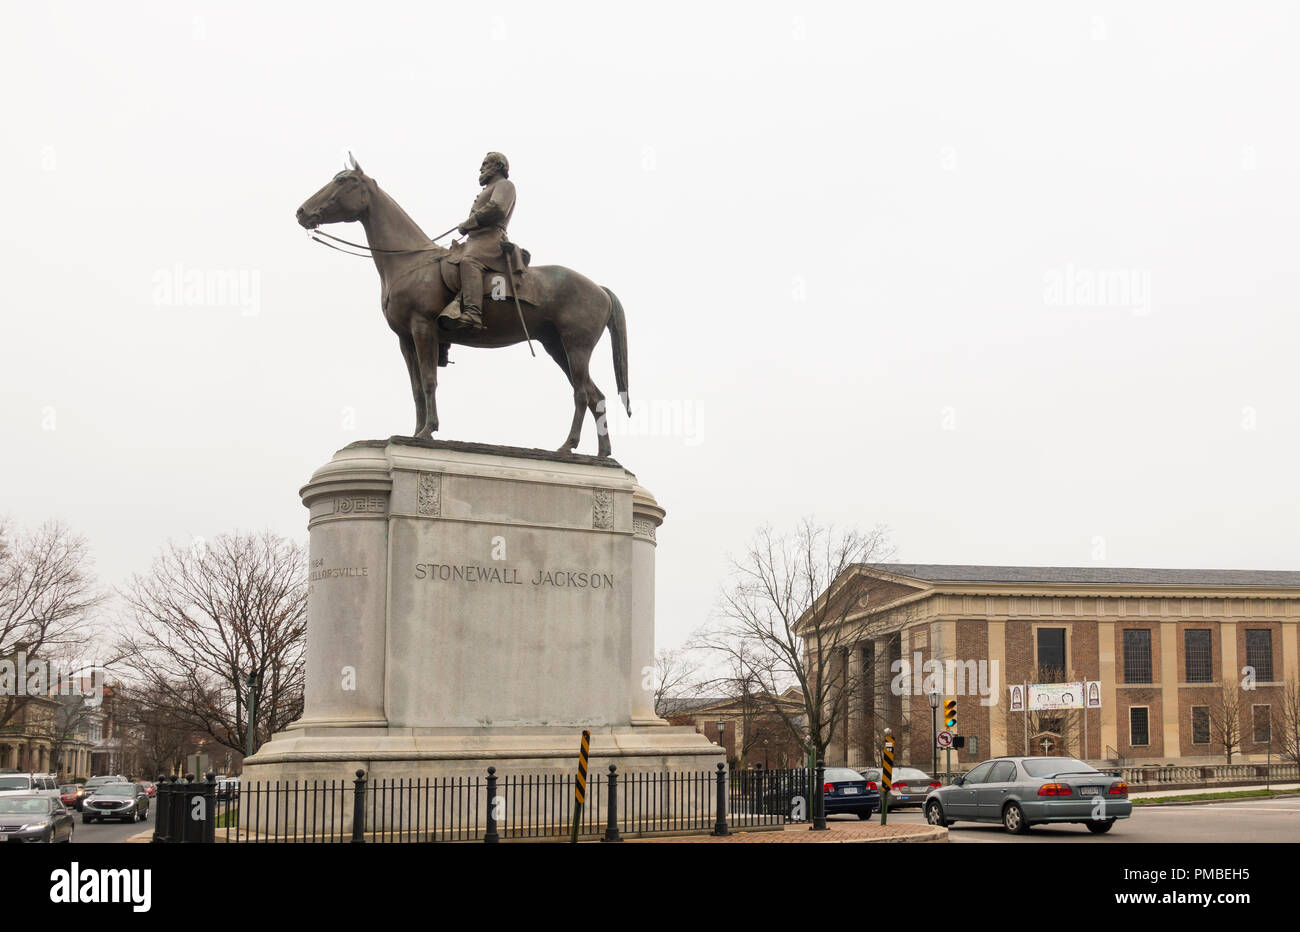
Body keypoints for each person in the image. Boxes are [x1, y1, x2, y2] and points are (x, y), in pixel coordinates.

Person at [443, 151, 515, 331]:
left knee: (469, 261)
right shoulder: (488, 188)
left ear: (498, 166)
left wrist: (469, 222)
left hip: (491, 239)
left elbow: (497, 208)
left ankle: (473, 313)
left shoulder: (505, 185)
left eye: (485, 164)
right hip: (475, 239)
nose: (481, 168)